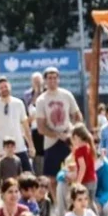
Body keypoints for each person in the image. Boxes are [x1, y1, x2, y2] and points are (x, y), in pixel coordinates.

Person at [36, 67, 83, 201]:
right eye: (49, 78)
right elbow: (41, 127)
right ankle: (58, 204)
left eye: (55, 77)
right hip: (51, 142)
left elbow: (77, 116)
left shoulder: (66, 95)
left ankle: (74, 201)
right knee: (51, 178)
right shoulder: (41, 100)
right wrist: (57, 135)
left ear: (59, 79)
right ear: (45, 81)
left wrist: (72, 132)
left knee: (74, 172)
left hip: (69, 141)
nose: (52, 80)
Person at [0, 76, 35, 171]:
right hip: (3, 150)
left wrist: (31, 145)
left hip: (20, 147)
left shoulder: (19, 103)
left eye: (6, 86)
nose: (4, 89)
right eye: (1, 88)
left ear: (10, 87)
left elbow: (25, 127)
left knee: (28, 176)